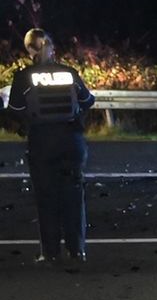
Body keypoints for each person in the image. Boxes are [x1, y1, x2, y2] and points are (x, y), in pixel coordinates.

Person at [5, 29, 94, 264]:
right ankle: (77, 250)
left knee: (46, 197)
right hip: (71, 141)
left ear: (30, 50)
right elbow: (87, 101)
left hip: (42, 142)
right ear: (52, 47)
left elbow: (15, 111)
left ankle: (50, 252)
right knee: (74, 196)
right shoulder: (69, 73)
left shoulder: (25, 77)